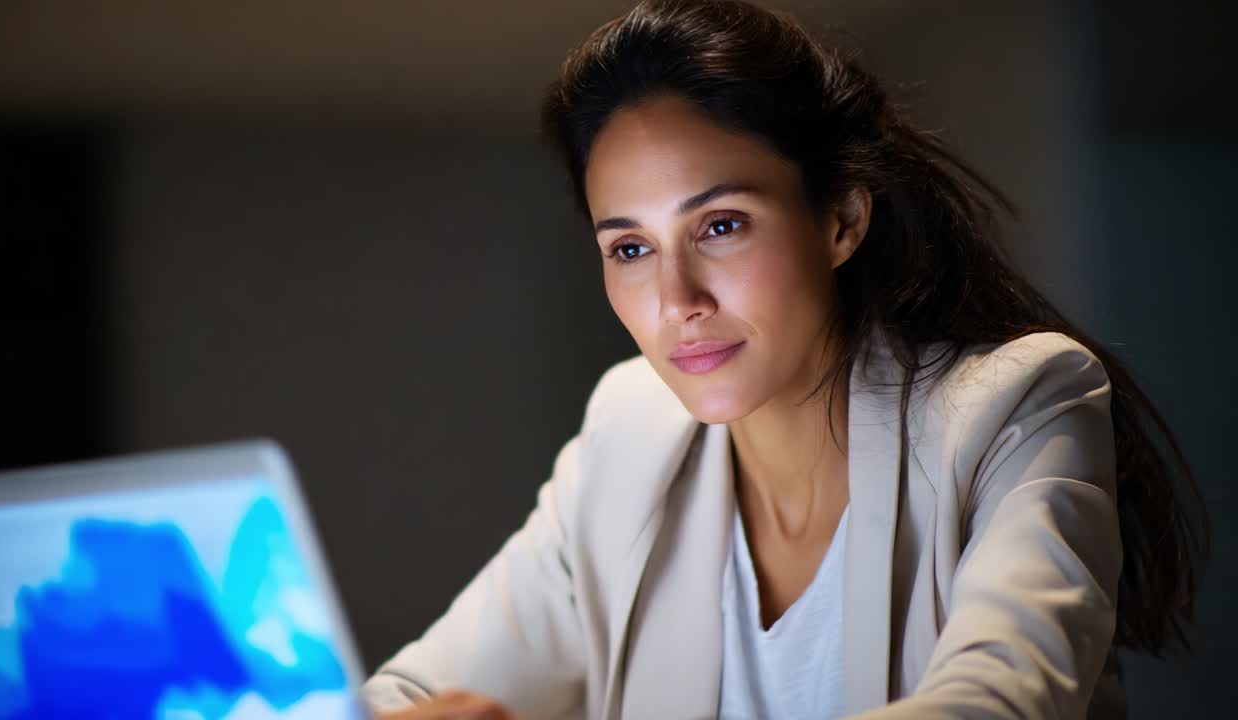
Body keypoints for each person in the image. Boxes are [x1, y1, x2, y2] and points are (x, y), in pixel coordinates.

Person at [362, 1, 1207, 718]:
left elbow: (994, 703)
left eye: (720, 225)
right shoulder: (629, 435)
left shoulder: (1017, 406)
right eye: (629, 247)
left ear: (841, 220)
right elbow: (413, 691)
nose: (676, 299)